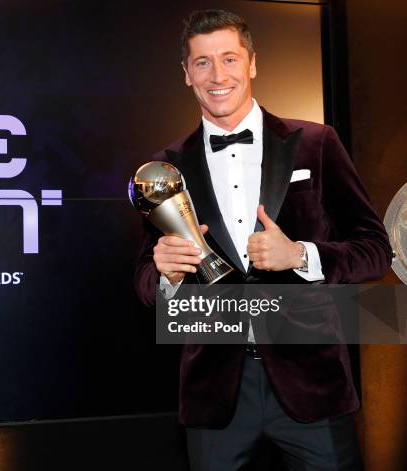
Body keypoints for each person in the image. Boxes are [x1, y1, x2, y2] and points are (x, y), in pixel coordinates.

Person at [134, 9, 392, 471]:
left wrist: (301, 254)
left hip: (313, 385)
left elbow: (375, 249)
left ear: (252, 63)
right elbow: (146, 283)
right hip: (215, 394)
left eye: (230, 59)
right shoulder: (165, 168)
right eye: (203, 62)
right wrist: (166, 275)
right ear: (186, 74)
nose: (218, 75)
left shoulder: (316, 142)